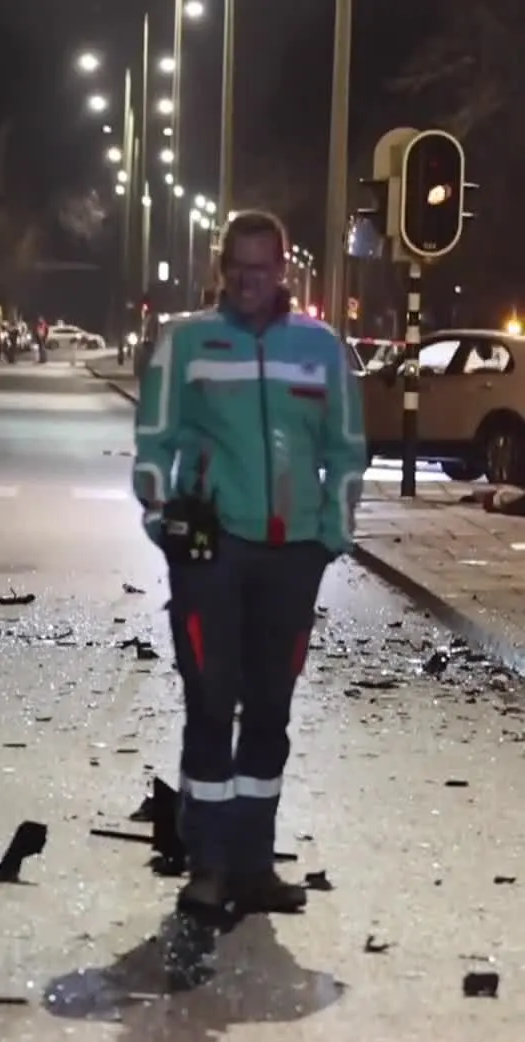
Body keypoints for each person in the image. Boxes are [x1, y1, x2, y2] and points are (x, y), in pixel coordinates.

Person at [131, 210, 366, 918]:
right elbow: (152, 442)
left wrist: (330, 537)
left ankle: (255, 865)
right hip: (213, 553)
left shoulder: (322, 350)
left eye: (261, 269)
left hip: (292, 556)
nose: (248, 281)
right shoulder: (187, 344)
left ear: (284, 270)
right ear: (221, 267)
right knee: (210, 704)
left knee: (269, 710)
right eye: (237, 268)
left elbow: (347, 450)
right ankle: (207, 866)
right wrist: (161, 521)